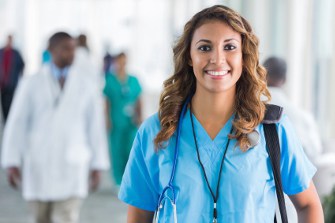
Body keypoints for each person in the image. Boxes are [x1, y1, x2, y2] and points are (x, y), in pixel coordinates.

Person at [118, 5, 324, 223]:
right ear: (189, 56)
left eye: (230, 47)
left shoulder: (272, 129)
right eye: (205, 48)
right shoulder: (156, 131)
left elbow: (308, 205)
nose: (217, 59)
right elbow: (139, 214)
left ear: (243, 56)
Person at [1, 32, 109, 223]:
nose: (71, 53)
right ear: (51, 51)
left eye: (73, 49)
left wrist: (98, 164)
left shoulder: (86, 84)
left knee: (66, 217)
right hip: (38, 163)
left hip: (73, 163)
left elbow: (95, 126)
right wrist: (11, 161)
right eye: (66, 49)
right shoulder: (31, 83)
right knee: (39, 218)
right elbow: (16, 123)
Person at [263, 56, 322, 159]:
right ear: (285, 79)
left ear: (261, 76)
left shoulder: (245, 110)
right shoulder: (302, 115)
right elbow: (314, 153)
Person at [103, 52, 142, 189]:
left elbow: (138, 99)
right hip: (116, 120)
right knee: (116, 150)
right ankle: (118, 181)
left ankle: (130, 178)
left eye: (124, 61)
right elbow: (106, 101)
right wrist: (107, 119)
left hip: (131, 122)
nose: (122, 64)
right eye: (119, 61)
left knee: (131, 148)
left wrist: (140, 116)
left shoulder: (133, 80)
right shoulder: (110, 80)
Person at [0, 35, 25, 123]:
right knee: (3, 104)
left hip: (12, 83)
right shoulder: (1, 52)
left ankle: (10, 121)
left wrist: (20, 77)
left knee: (11, 103)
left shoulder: (16, 53)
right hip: (2, 84)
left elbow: (22, 64)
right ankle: (5, 121)